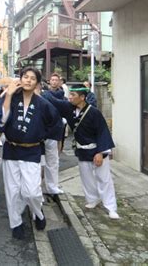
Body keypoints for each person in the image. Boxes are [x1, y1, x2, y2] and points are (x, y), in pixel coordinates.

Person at [0, 67, 62, 240]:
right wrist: (8, 94)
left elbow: (56, 124)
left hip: (32, 150)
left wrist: (42, 137)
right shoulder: (11, 97)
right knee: (13, 190)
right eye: (25, 77)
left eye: (32, 78)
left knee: (31, 191)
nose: (28, 80)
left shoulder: (43, 104)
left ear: (37, 83)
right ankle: (15, 223)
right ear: (20, 79)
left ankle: (38, 212)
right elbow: (1, 119)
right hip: (11, 149)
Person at [42, 84, 119, 220]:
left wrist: (100, 153)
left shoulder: (94, 112)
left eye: (73, 96)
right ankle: (92, 199)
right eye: (70, 95)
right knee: (86, 178)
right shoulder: (69, 109)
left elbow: (102, 132)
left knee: (103, 179)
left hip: (97, 150)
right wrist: (40, 90)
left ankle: (111, 207)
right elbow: (54, 101)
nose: (69, 97)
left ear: (82, 97)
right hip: (82, 149)